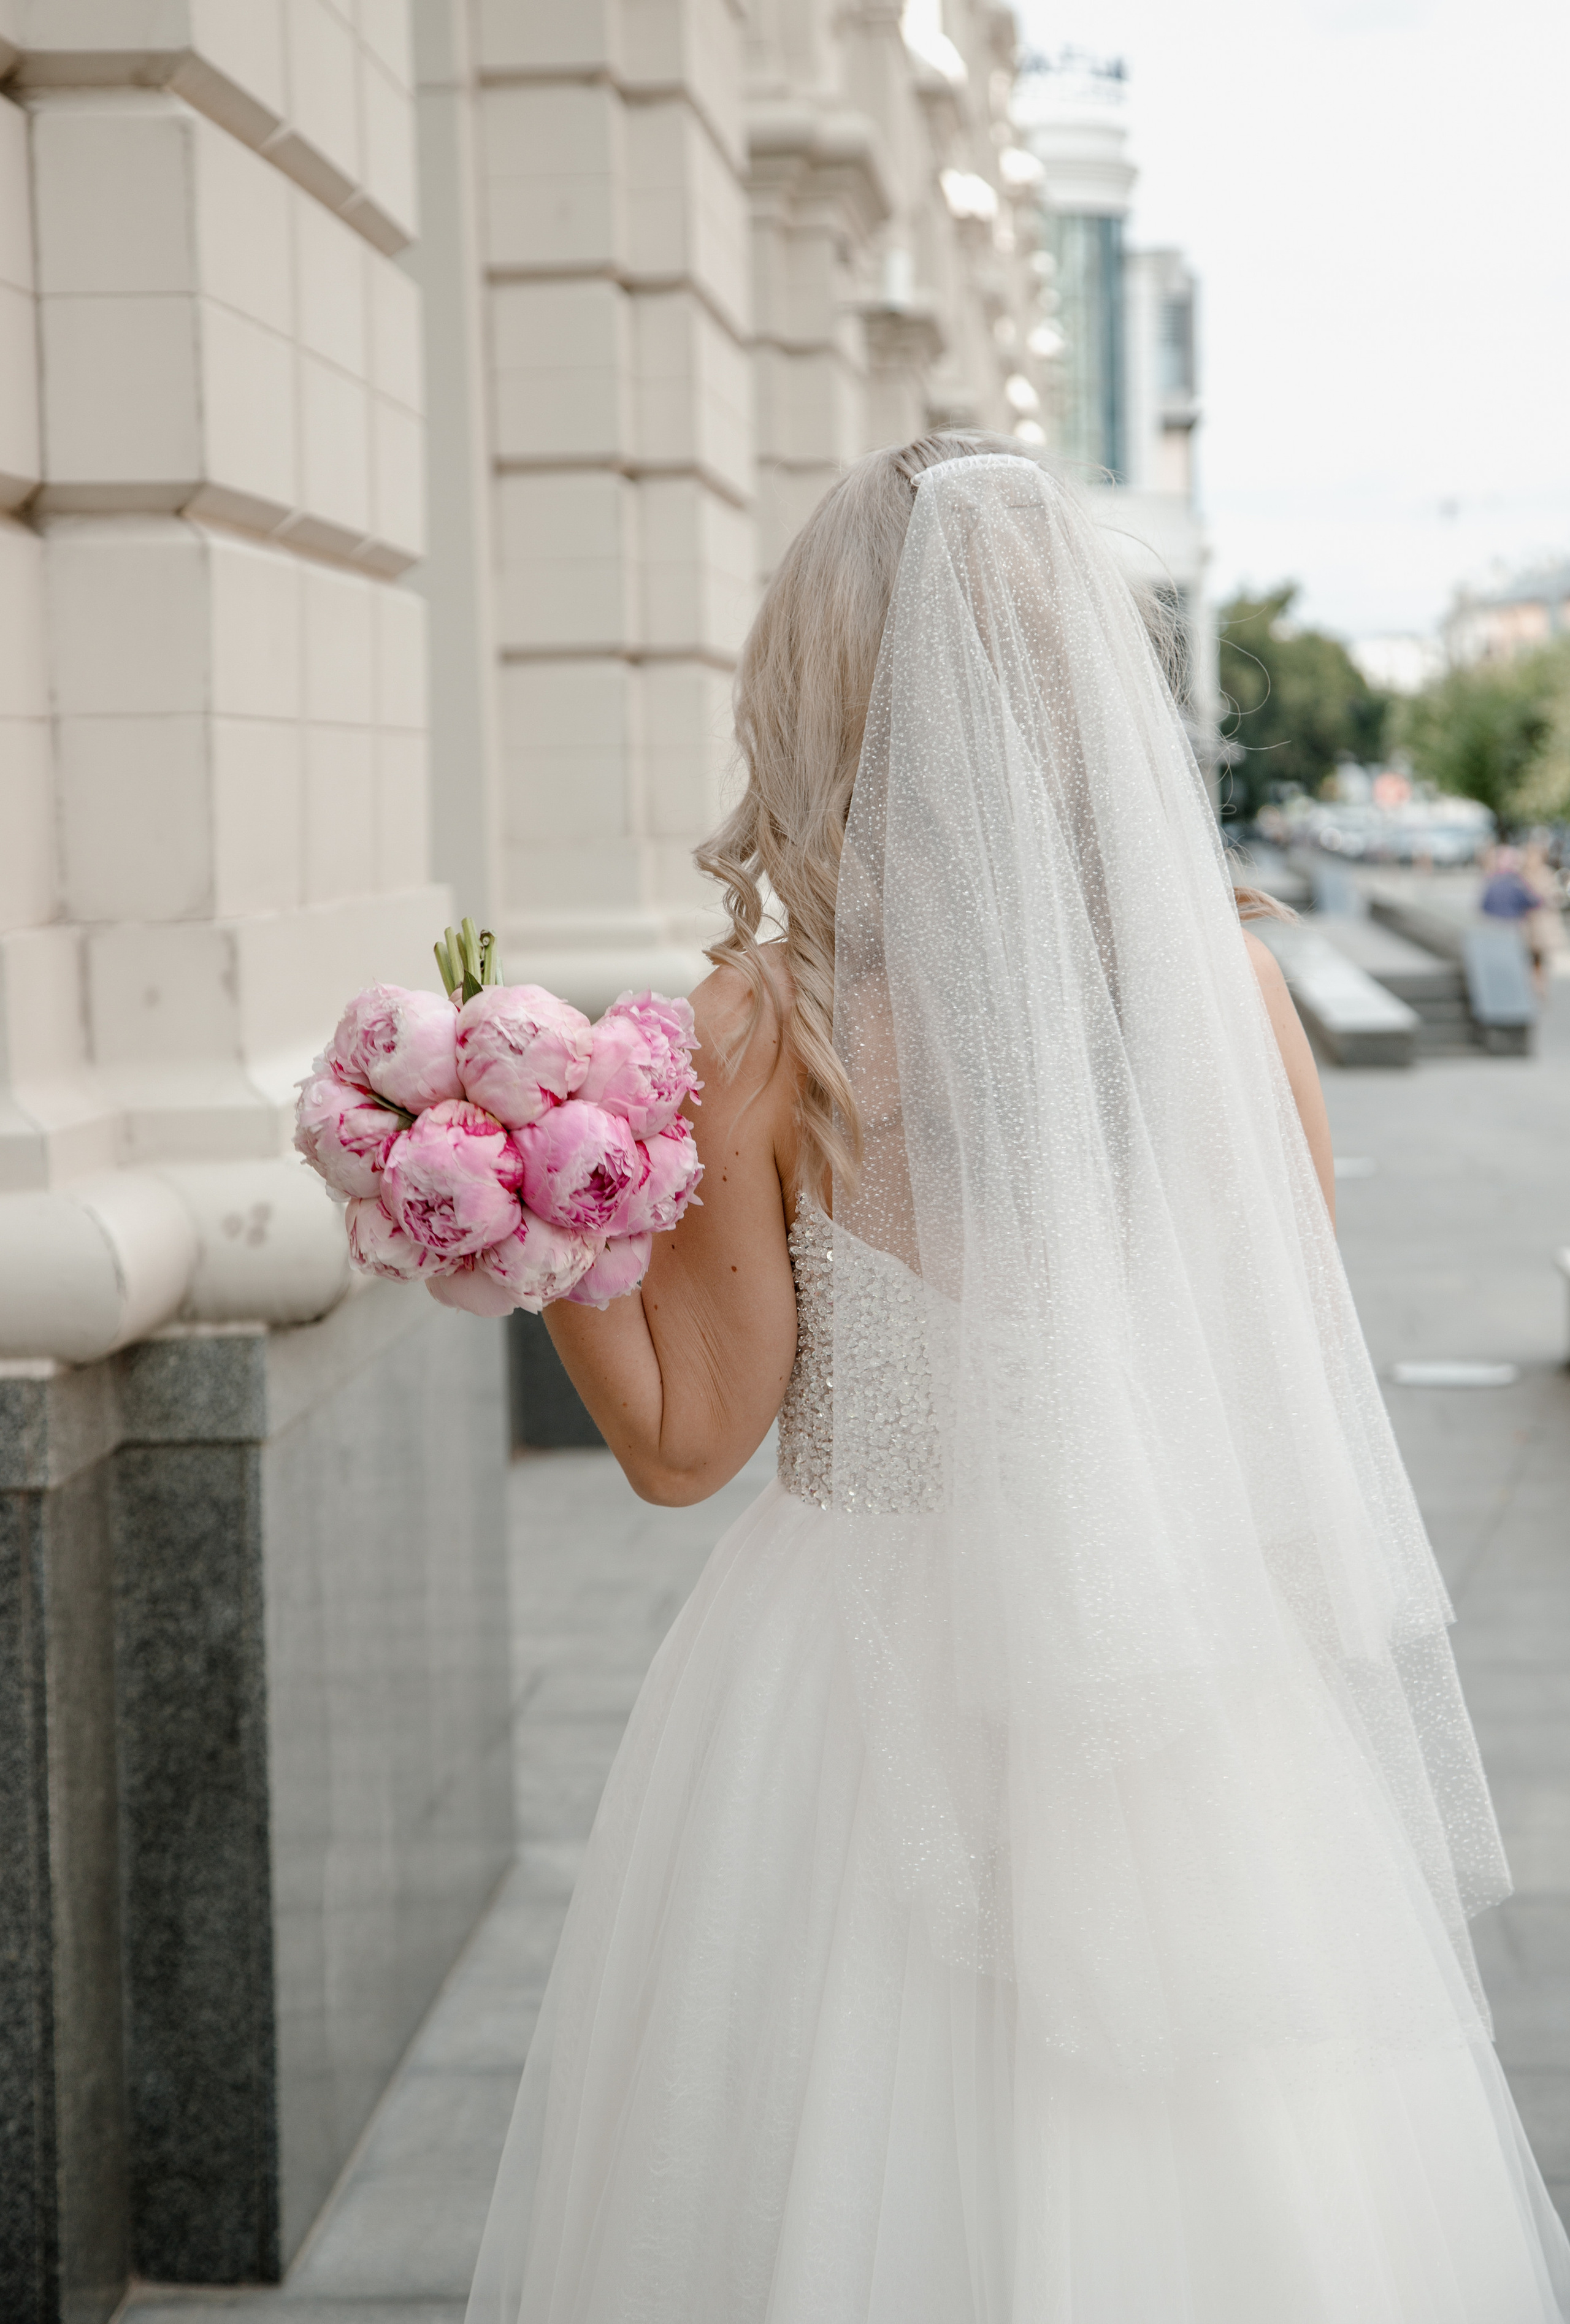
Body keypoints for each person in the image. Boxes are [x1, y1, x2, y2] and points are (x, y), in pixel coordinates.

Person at [467, 440, 1570, 2321]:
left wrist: (527, 1227)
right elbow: (1277, 1380)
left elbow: (678, 1445)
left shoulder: (760, 1024)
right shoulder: (1235, 998)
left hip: (844, 1687)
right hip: (1182, 1672)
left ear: (813, 694)